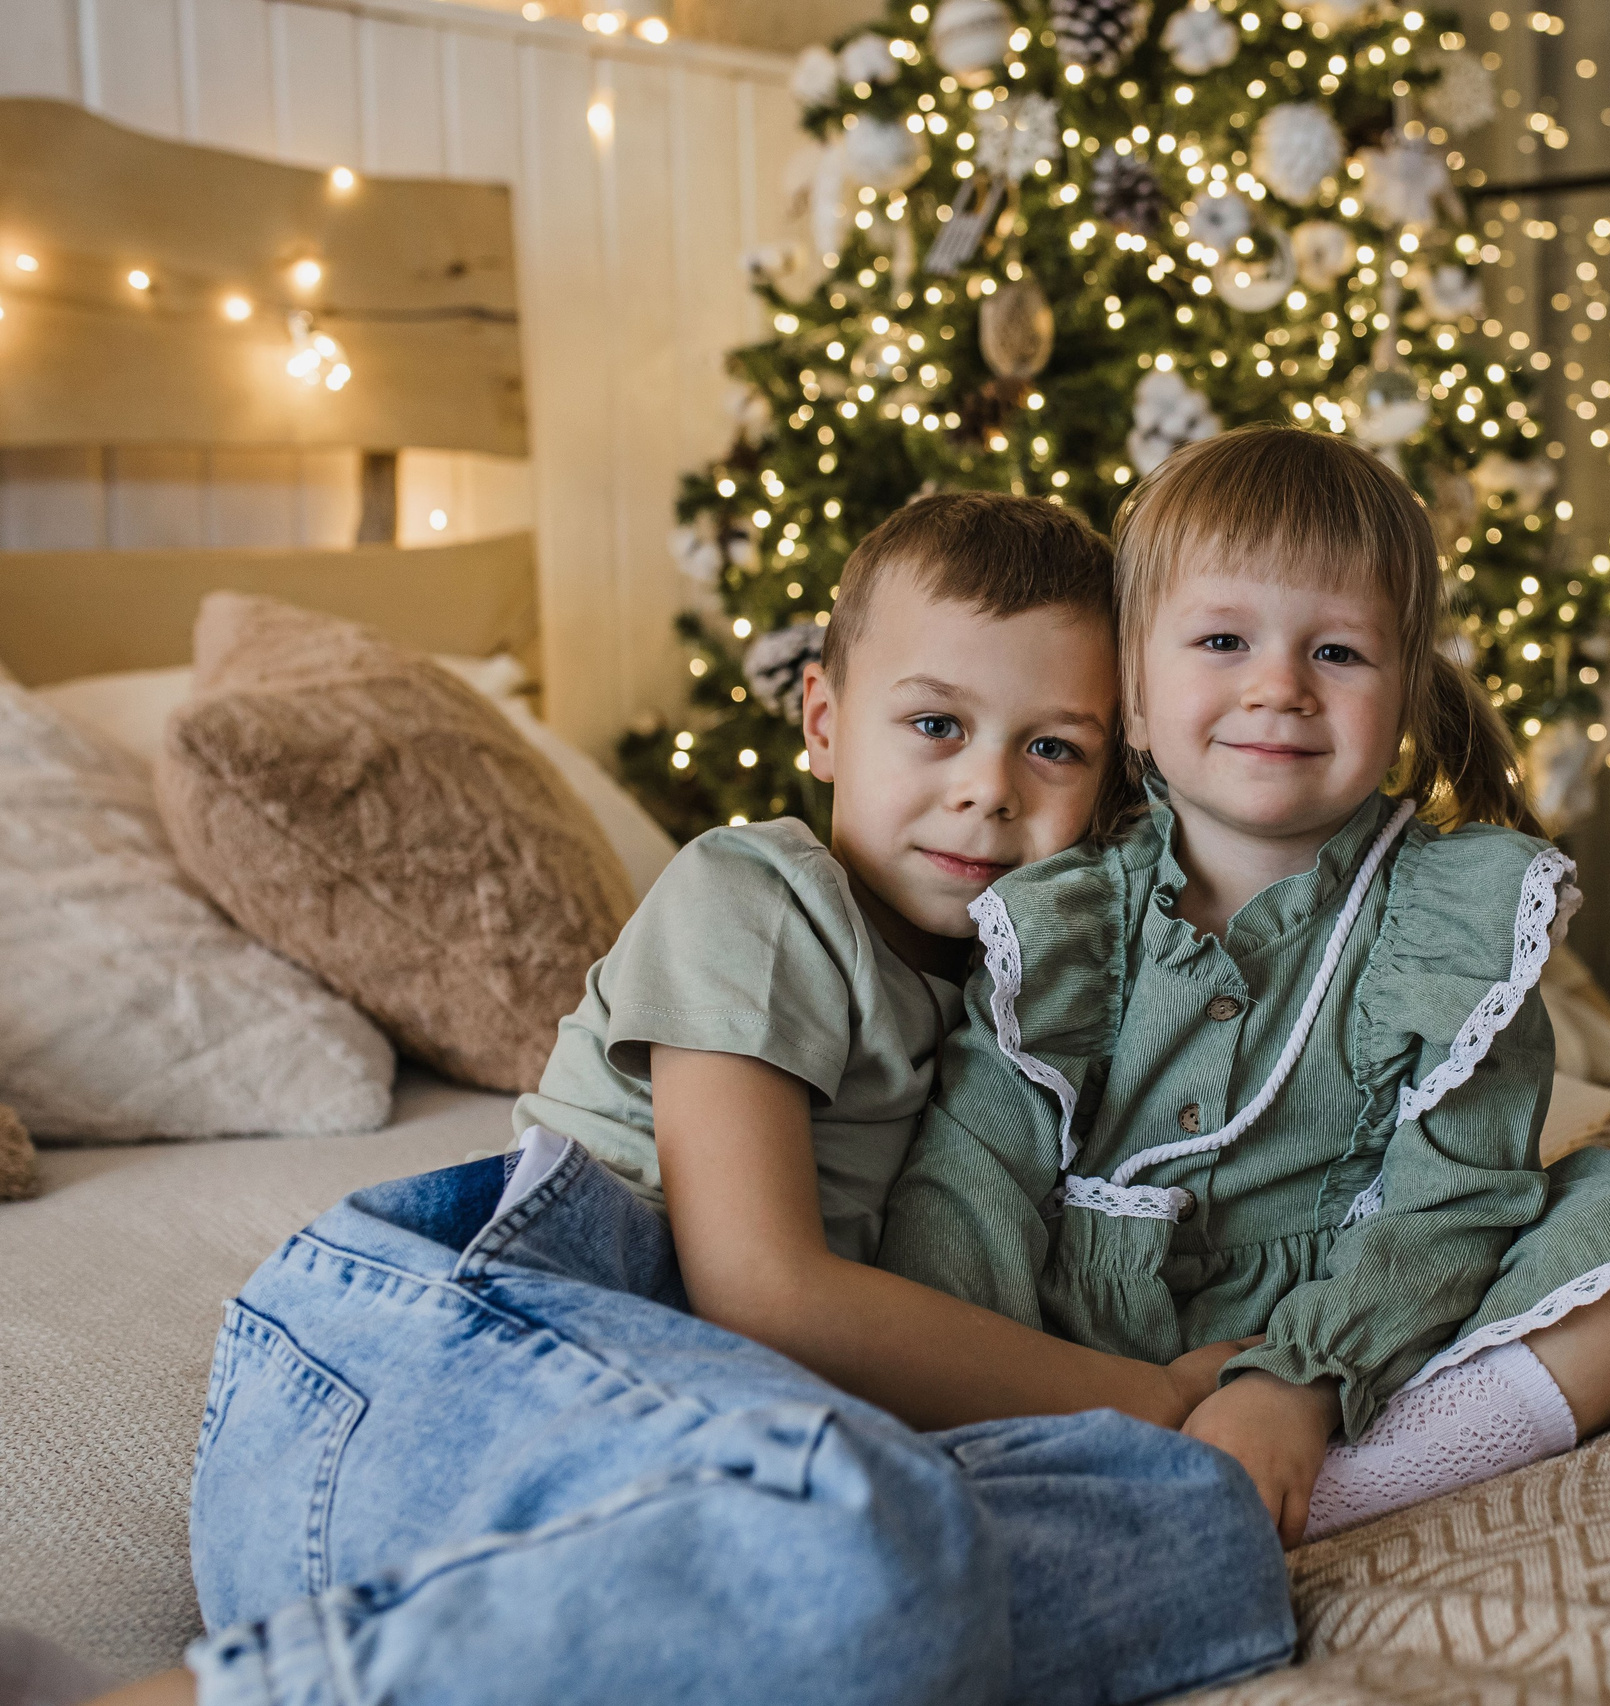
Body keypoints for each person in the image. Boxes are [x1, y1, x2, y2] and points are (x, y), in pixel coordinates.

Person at [108, 494, 1293, 1706]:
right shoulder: (765, 894)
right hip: (438, 1368)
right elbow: (760, 1290)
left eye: (1053, 746)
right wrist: (1143, 1395)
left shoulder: (1031, 1000)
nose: (988, 787)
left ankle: (755, 1618)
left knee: (1202, 1533)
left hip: (675, 1475)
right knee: (870, 1523)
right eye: (935, 722)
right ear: (825, 723)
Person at [878, 427, 1610, 1546]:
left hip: (1366, 1318)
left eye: (1337, 652)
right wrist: (1008, 1387)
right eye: (1225, 639)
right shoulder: (1064, 912)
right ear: (1134, 699)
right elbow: (971, 1178)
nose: (1278, 686)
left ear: (1405, 689)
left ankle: (1333, 1479)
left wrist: (1301, 1377)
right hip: (1081, 1343)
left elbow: (1458, 1201)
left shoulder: (1460, 916)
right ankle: (1149, 1464)